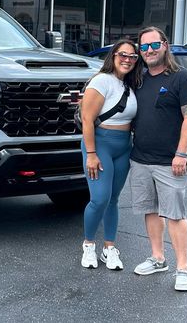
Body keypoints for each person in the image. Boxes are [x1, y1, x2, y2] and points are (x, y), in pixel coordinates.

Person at [130, 26, 187, 292]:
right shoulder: (140, 79)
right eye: (144, 47)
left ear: (165, 45)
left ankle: (184, 269)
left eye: (154, 45)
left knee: (174, 215)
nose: (149, 51)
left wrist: (181, 153)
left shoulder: (182, 78)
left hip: (170, 161)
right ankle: (158, 258)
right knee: (150, 210)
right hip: (140, 159)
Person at [80, 39, 142, 270]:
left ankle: (109, 248)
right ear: (113, 56)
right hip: (100, 144)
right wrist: (92, 153)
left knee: (113, 199)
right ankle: (88, 245)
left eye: (132, 56)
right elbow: (87, 119)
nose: (127, 59)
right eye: (122, 55)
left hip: (124, 146)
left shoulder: (131, 84)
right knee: (99, 198)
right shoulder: (102, 80)